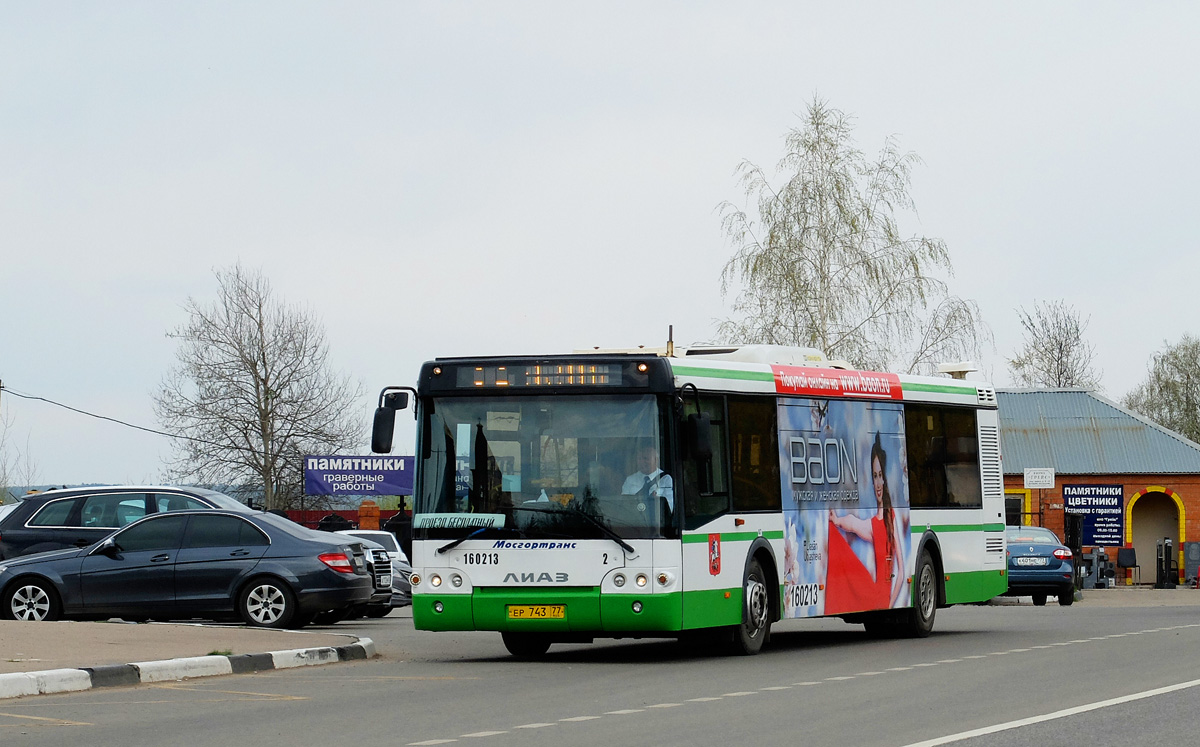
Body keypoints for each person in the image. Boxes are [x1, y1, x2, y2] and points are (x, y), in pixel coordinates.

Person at [825, 433, 908, 612]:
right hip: (873, 595)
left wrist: (889, 604)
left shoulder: (890, 518)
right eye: (874, 476)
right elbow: (854, 523)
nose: (877, 483)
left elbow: (901, 573)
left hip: (881, 600)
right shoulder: (874, 525)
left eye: (880, 475)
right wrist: (837, 521)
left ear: (885, 479)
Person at [621, 444, 674, 511]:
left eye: (646, 458)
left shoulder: (666, 479)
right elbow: (623, 504)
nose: (642, 462)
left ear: (656, 460)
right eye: (639, 459)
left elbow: (671, 506)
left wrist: (657, 502)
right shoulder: (630, 480)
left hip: (657, 518)